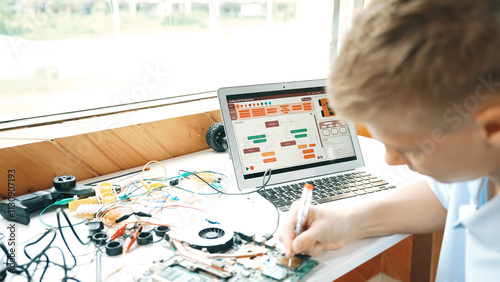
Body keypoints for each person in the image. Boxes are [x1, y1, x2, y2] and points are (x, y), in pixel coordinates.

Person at [279, 0, 500, 280]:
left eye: (410, 148)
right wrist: (344, 222)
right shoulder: (478, 155)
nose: (390, 160)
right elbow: (444, 197)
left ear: (493, 126)